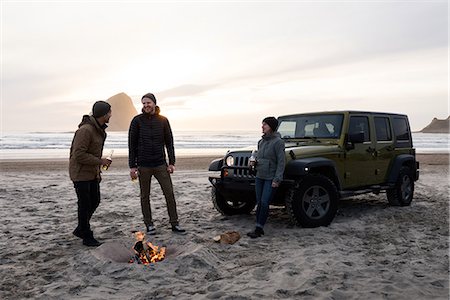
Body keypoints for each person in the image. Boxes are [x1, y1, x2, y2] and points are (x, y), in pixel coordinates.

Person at [128, 93, 185, 235]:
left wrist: (171, 163)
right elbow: (132, 144)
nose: (146, 105)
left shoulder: (163, 120)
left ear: (154, 103)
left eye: (148, 103)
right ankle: (149, 224)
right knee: (144, 196)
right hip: (143, 165)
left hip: (160, 164)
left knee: (169, 193)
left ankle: (175, 223)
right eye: (144, 103)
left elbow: (169, 142)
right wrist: (132, 166)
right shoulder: (137, 121)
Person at [69, 101, 112, 247]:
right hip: (80, 173)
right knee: (84, 204)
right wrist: (100, 161)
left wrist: (98, 167)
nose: (111, 115)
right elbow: (78, 155)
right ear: (104, 114)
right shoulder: (86, 130)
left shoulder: (99, 130)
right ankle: (86, 235)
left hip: (92, 172)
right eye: (109, 112)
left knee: (95, 201)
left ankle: (81, 228)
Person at [247, 117, 285, 238]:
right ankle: (258, 227)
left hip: (270, 178)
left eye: (265, 125)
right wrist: (254, 162)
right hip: (260, 176)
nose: (262, 127)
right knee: (259, 202)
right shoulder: (261, 142)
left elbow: (281, 162)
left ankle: (259, 228)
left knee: (264, 202)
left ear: (271, 127)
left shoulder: (278, 142)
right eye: (262, 124)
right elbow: (259, 157)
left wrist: (277, 179)